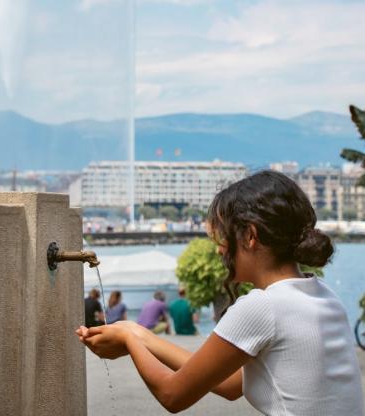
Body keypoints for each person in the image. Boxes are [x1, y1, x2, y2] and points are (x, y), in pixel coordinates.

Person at [77, 171, 365, 415]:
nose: (219, 249)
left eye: (221, 238)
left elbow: (172, 395)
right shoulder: (322, 296)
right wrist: (141, 335)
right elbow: (230, 384)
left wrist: (129, 339)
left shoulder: (263, 306)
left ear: (250, 236)